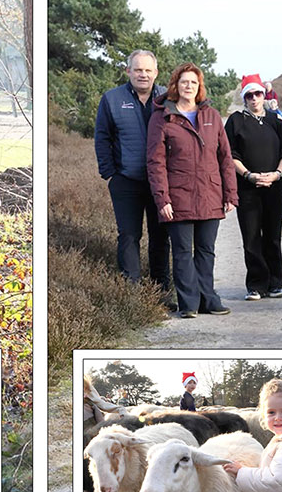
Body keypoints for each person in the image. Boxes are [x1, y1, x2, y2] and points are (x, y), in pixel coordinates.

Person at [147, 62, 236, 318]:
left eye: (194, 83)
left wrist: (230, 193)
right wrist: (162, 198)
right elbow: (156, 162)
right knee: (183, 252)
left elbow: (225, 158)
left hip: (210, 194)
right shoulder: (162, 117)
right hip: (178, 196)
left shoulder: (212, 116)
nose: (189, 86)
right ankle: (189, 304)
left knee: (207, 251)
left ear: (200, 87)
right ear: (176, 85)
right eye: (184, 82)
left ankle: (209, 299)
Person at [94, 50, 171, 292]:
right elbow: (102, 137)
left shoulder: (168, 100)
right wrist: (110, 173)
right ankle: (132, 292)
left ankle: (161, 290)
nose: (143, 74)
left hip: (160, 182)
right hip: (126, 181)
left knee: (160, 237)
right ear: (128, 71)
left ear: (156, 73)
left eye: (148, 70)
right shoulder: (112, 99)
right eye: (138, 70)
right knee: (129, 236)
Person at [224, 75, 282, 299]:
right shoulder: (236, 121)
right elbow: (229, 154)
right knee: (251, 237)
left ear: (264, 95)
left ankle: (275, 283)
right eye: (249, 95)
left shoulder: (276, 121)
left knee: (273, 236)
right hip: (247, 188)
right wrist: (248, 175)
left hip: (274, 188)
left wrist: (276, 174)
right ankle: (256, 285)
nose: (254, 98)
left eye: (257, 94)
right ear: (244, 98)